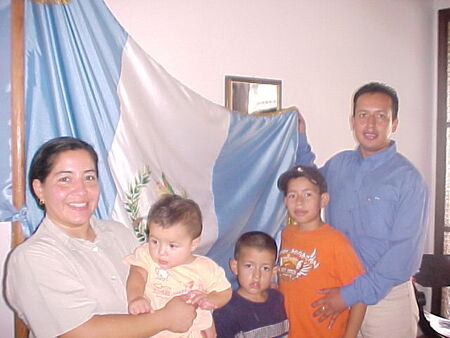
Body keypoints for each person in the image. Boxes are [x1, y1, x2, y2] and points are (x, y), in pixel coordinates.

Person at [5, 137, 197, 338]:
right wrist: (166, 319)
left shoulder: (119, 233)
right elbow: (78, 332)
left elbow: (162, 280)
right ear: (39, 189)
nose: (80, 190)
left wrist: (197, 316)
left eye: (89, 177)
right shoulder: (32, 258)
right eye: (65, 179)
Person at [296, 82, 429, 337]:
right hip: (338, 289)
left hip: (386, 300)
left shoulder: (409, 180)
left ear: (394, 123)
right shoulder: (339, 165)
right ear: (352, 120)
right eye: (363, 115)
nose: (370, 124)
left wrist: (348, 295)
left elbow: (402, 257)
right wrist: (299, 136)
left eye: (381, 116)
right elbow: (307, 184)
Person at [124, 194, 232, 338]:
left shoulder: (206, 268)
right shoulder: (146, 256)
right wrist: (136, 298)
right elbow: (137, 275)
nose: (161, 252)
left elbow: (225, 292)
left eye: (172, 246)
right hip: (153, 330)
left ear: (193, 243)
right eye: (155, 241)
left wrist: (210, 300)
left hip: (192, 332)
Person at [277, 165, 366, 337]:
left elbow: (360, 295)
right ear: (285, 202)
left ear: (323, 200)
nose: (299, 202)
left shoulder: (336, 242)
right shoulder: (287, 234)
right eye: (292, 195)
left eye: (308, 194)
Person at [213, 231, 289, 338]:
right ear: (235, 266)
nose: (256, 275)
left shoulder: (278, 299)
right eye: (249, 266)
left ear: (274, 271)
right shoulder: (227, 311)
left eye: (265, 268)